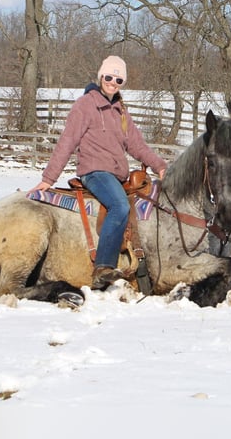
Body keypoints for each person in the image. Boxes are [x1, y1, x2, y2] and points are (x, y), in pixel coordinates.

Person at [28, 55, 167, 290]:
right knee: (120, 205)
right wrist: (48, 179)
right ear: (101, 76)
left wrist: (159, 165)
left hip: (118, 175)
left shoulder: (121, 111)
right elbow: (67, 141)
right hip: (95, 172)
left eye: (119, 79)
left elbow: (136, 145)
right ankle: (103, 267)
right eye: (109, 77)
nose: (113, 82)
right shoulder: (86, 105)